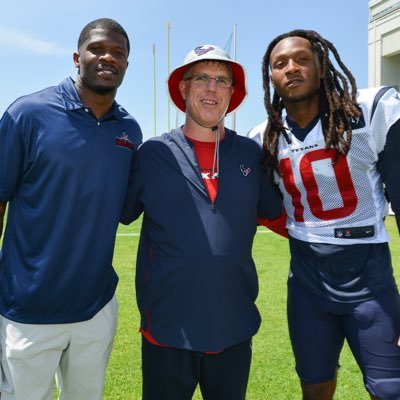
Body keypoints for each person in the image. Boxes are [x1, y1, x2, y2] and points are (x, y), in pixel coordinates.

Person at [121, 44, 282, 400]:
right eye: (202, 78)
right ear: (182, 87)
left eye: (222, 80)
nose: (212, 88)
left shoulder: (250, 154)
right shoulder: (153, 153)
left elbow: (283, 216)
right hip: (167, 329)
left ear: (232, 92)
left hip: (233, 325)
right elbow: (116, 210)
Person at [249, 29, 400, 400]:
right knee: (314, 385)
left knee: (390, 388)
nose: (291, 68)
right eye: (279, 63)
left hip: (370, 278)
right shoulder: (263, 136)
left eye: (302, 59)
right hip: (307, 282)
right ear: (270, 77)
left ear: (322, 65)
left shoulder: (369, 111)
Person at [0, 18, 142, 400]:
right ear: (77, 56)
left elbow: (128, 207)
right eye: (98, 48)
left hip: (95, 305)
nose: (108, 57)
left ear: (127, 65)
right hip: (28, 306)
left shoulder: (129, 129)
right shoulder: (27, 113)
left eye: (119, 53)